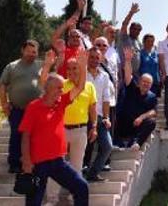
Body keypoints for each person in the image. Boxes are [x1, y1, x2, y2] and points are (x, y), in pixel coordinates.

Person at [19, 51, 89, 206]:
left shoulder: (61, 103)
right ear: (48, 89)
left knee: (81, 187)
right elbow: (25, 136)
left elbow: (80, 87)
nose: (61, 90)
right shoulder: (34, 107)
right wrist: (26, 161)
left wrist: (83, 67)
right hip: (38, 164)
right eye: (58, 88)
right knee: (33, 201)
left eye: (62, 88)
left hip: (58, 162)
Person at [0, 40, 44, 174]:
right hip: (17, 109)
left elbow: (56, 67)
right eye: (29, 51)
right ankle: (14, 163)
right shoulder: (12, 67)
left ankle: (34, 162)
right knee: (16, 136)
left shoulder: (41, 66)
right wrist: (4, 104)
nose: (32, 54)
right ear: (22, 51)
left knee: (35, 137)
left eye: (34, 52)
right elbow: (2, 86)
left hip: (36, 111)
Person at [57, 49, 98, 177]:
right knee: (57, 165)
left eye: (75, 68)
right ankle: (52, 197)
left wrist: (95, 127)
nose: (71, 71)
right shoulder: (61, 85)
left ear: (81, 69)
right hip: (61, 130)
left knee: (77, 166)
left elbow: (93, 108)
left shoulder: (90, 86)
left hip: (80, 130)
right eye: (69, 69)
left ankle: (73, 196)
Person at [117, 48, 157, 150]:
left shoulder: (152, 96)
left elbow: (153, 111)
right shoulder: (133, 88)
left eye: (148, 83)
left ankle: (136, 143)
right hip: (124, 123)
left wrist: (142, 117)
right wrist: (128, 60)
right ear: (139, 82)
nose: (146, 84)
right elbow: (127, 76)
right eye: (144, 81)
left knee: (152, 122)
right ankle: (117, 142)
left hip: (137, 125)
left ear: (151, 85)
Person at [84, 47, 113, 182]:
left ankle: (93, 173)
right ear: (87, 57)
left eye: (97, 57)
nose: (94, 60)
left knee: (107, 146)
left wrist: (107, 117)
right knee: (84, 146)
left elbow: (106, 98)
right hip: (83, 116)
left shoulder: (105, 76)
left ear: (101, 59)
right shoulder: (81, 73)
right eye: (92, 57)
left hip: (99, 116)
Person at [119, 3, 143, 79]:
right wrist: (131, 13)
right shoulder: (125, 38)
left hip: (135, 75)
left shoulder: (138, 43)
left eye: (138, 30)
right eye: (134, 29)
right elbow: (124, 24)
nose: (136, 31)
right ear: (130, 29)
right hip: (124, 73)